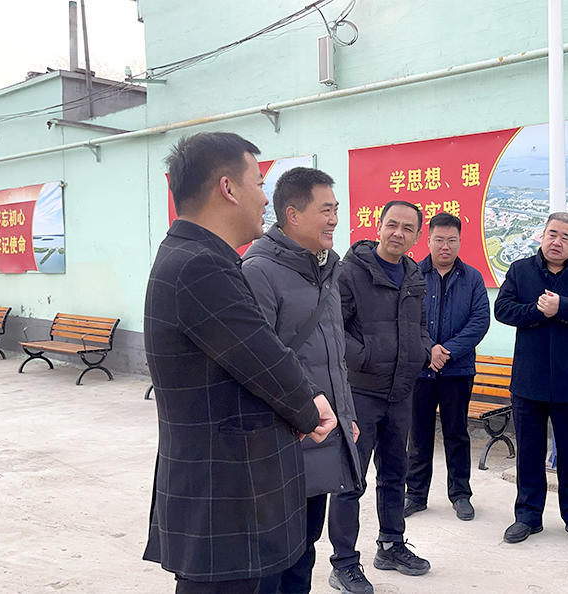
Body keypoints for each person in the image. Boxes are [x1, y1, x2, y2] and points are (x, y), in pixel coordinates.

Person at [143, 132, 337, 594]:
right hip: (226, 495)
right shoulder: (200, 266)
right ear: (228, 189)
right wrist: (311, 410)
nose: (266, 199)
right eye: (259, 183)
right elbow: (262, 358)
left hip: (227, 489)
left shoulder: (197, 255)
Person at [241, 167, 363, 594]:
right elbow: (257, 361)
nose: (334, 220)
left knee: (305, 546)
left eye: (336, 210)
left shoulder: (326, 270)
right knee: (275, 552)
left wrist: (345, 413)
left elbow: (332, 355)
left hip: (323, 428)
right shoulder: (258, 271)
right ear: (292, 215)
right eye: (325, 210)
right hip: (281, 439)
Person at [328, 200, 432, 594]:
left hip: (401, 392)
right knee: (350, 480)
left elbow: (420, 325)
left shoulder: (414, 274)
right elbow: (333, 327)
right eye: (392, 224)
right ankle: (344, 564)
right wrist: (366, 357)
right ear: (379, 225)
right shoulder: (350, 272)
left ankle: (391, 546)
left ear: (416, 236)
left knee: (394, 474)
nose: (398, 233)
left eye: (407, 228)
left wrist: (422, 350)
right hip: (360, 393)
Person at [494, 212, 568, 547]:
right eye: (552, 234)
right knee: (529, 452)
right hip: (528, 381)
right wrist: (537, 311)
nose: (557, 242)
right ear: (542, 236)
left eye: (565, 237)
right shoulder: (520, 270)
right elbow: (503, 309)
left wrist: (563, 307)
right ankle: (527, 517)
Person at [403, 212, 490, 522]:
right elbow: (406, 318)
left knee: (457, 433)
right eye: (439, 239)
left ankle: (460, 494)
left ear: (460, 242)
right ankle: (415, 494)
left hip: (457, 370)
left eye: (452, 240)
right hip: (420, 369)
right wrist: (429, 349)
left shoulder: (473, 278)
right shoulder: (412, 274)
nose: (445, 246)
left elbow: (480, 321)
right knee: (419, 434)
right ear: (427, 241)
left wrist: (447, 351)